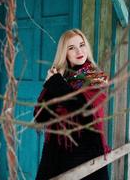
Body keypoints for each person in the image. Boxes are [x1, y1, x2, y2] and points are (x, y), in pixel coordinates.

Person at [33, 29, 110, 180]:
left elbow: (84, 110)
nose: (79, 51)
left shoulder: (96, 77)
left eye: (82, 45)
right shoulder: (59, 79)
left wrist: (55, 84)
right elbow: (40, 116)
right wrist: (52, 85)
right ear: (64, 53)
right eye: (71, 48)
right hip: (55, 154)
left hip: (86, 153)